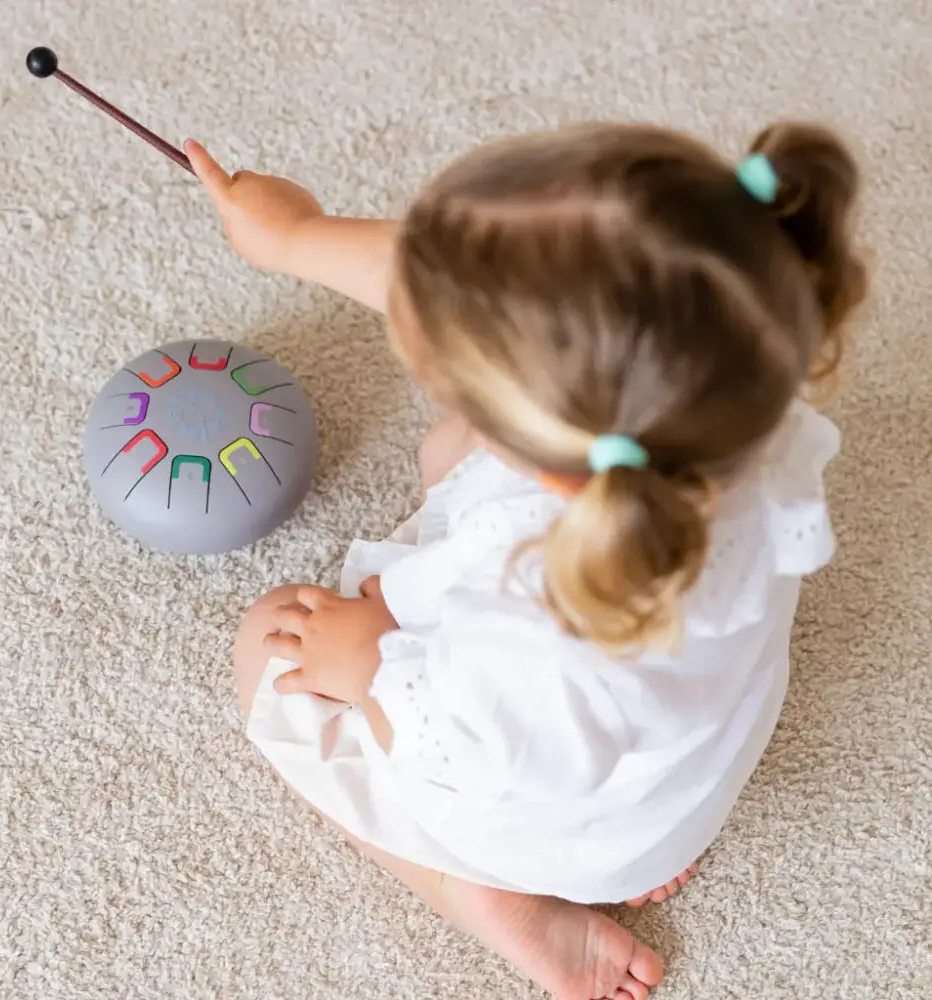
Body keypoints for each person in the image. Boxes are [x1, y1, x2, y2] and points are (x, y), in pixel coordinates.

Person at [184, 120, 866, 1000]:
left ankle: (492, 901)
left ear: (550, 465)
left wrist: (366, 665)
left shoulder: (543, 621)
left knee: (267, 651)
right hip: (674, 777)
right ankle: (618, 846)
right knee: (448, 450)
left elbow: (454, 748)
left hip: (565, 815)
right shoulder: (737, 400)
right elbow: (500, 303)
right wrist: (299, 238)